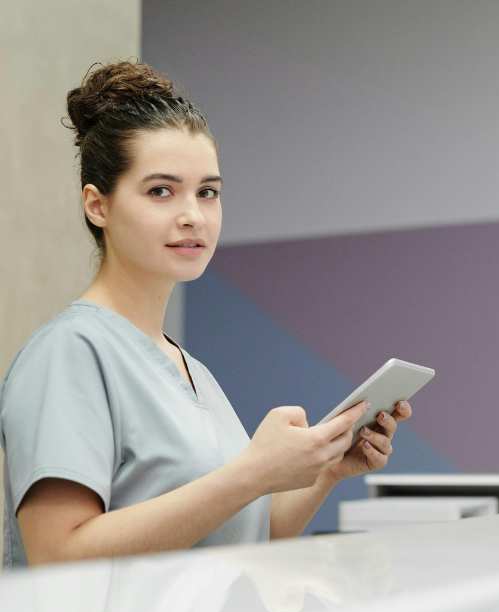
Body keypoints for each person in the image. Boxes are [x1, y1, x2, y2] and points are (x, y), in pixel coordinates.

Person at [1, 61, 412, 567]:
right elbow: (58, 555)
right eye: (160, 191)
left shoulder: (191, 371)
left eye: (207, 192)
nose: (193, 215)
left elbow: (241, 538)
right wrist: (251, 474)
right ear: (97, 206)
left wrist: (324, 469)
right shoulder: (68, 354)